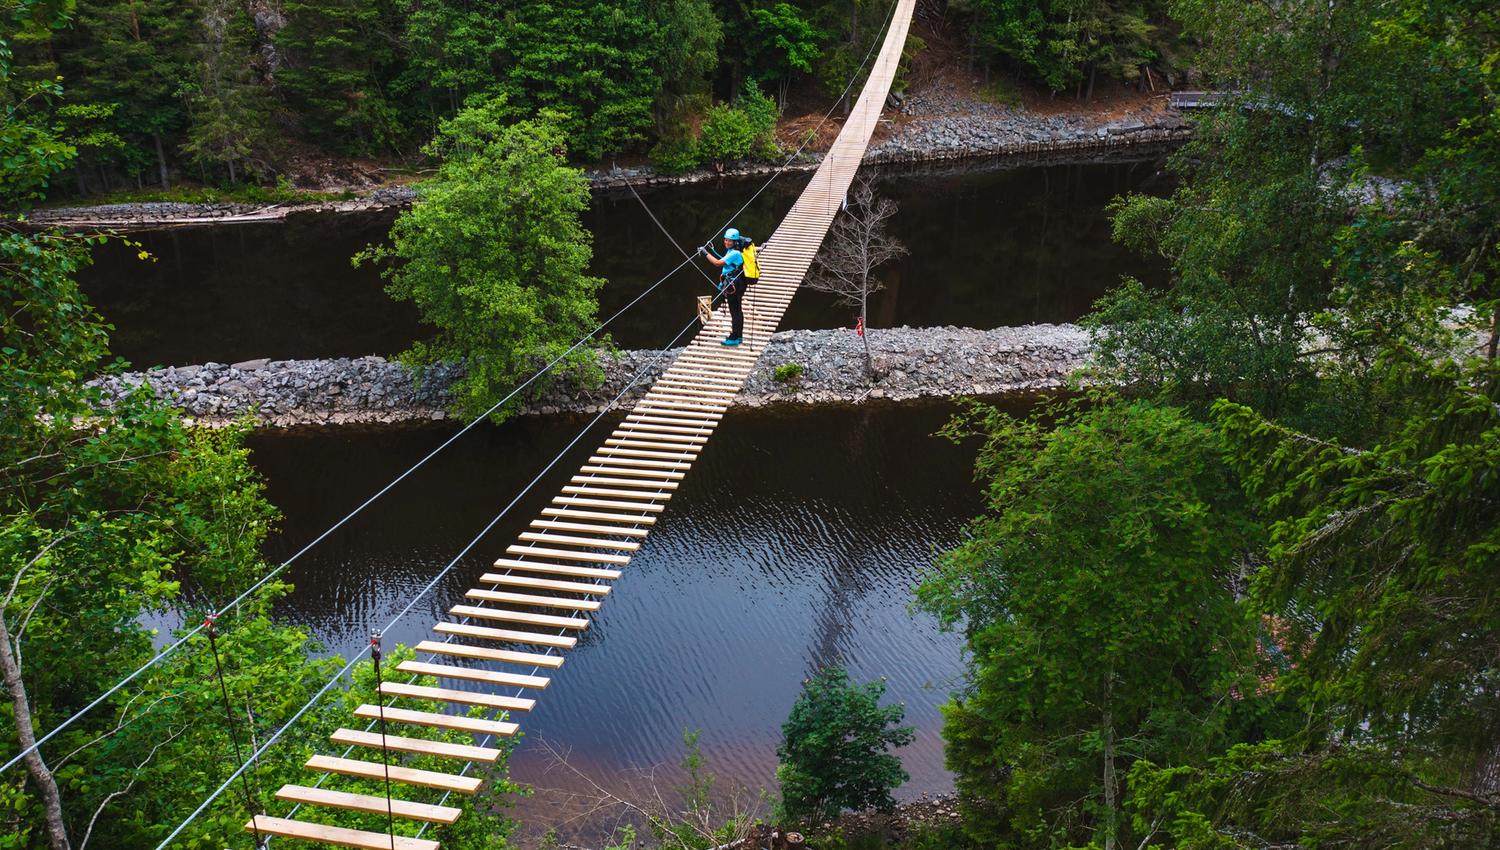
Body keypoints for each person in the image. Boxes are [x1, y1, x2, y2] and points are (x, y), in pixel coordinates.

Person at [699, 227, 750, 345]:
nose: (727, 242)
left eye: (730, 241)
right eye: (726, 240)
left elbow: (718, 263)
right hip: (737, 283)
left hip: (735, 286)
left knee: (735, 311)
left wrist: (705, 253)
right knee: (737, 310)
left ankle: (734, 338)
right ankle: (739, 336)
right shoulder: (734, 250)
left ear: (735, 242)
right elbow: (728, 266)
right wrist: (722, 283)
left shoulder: (735, 253)